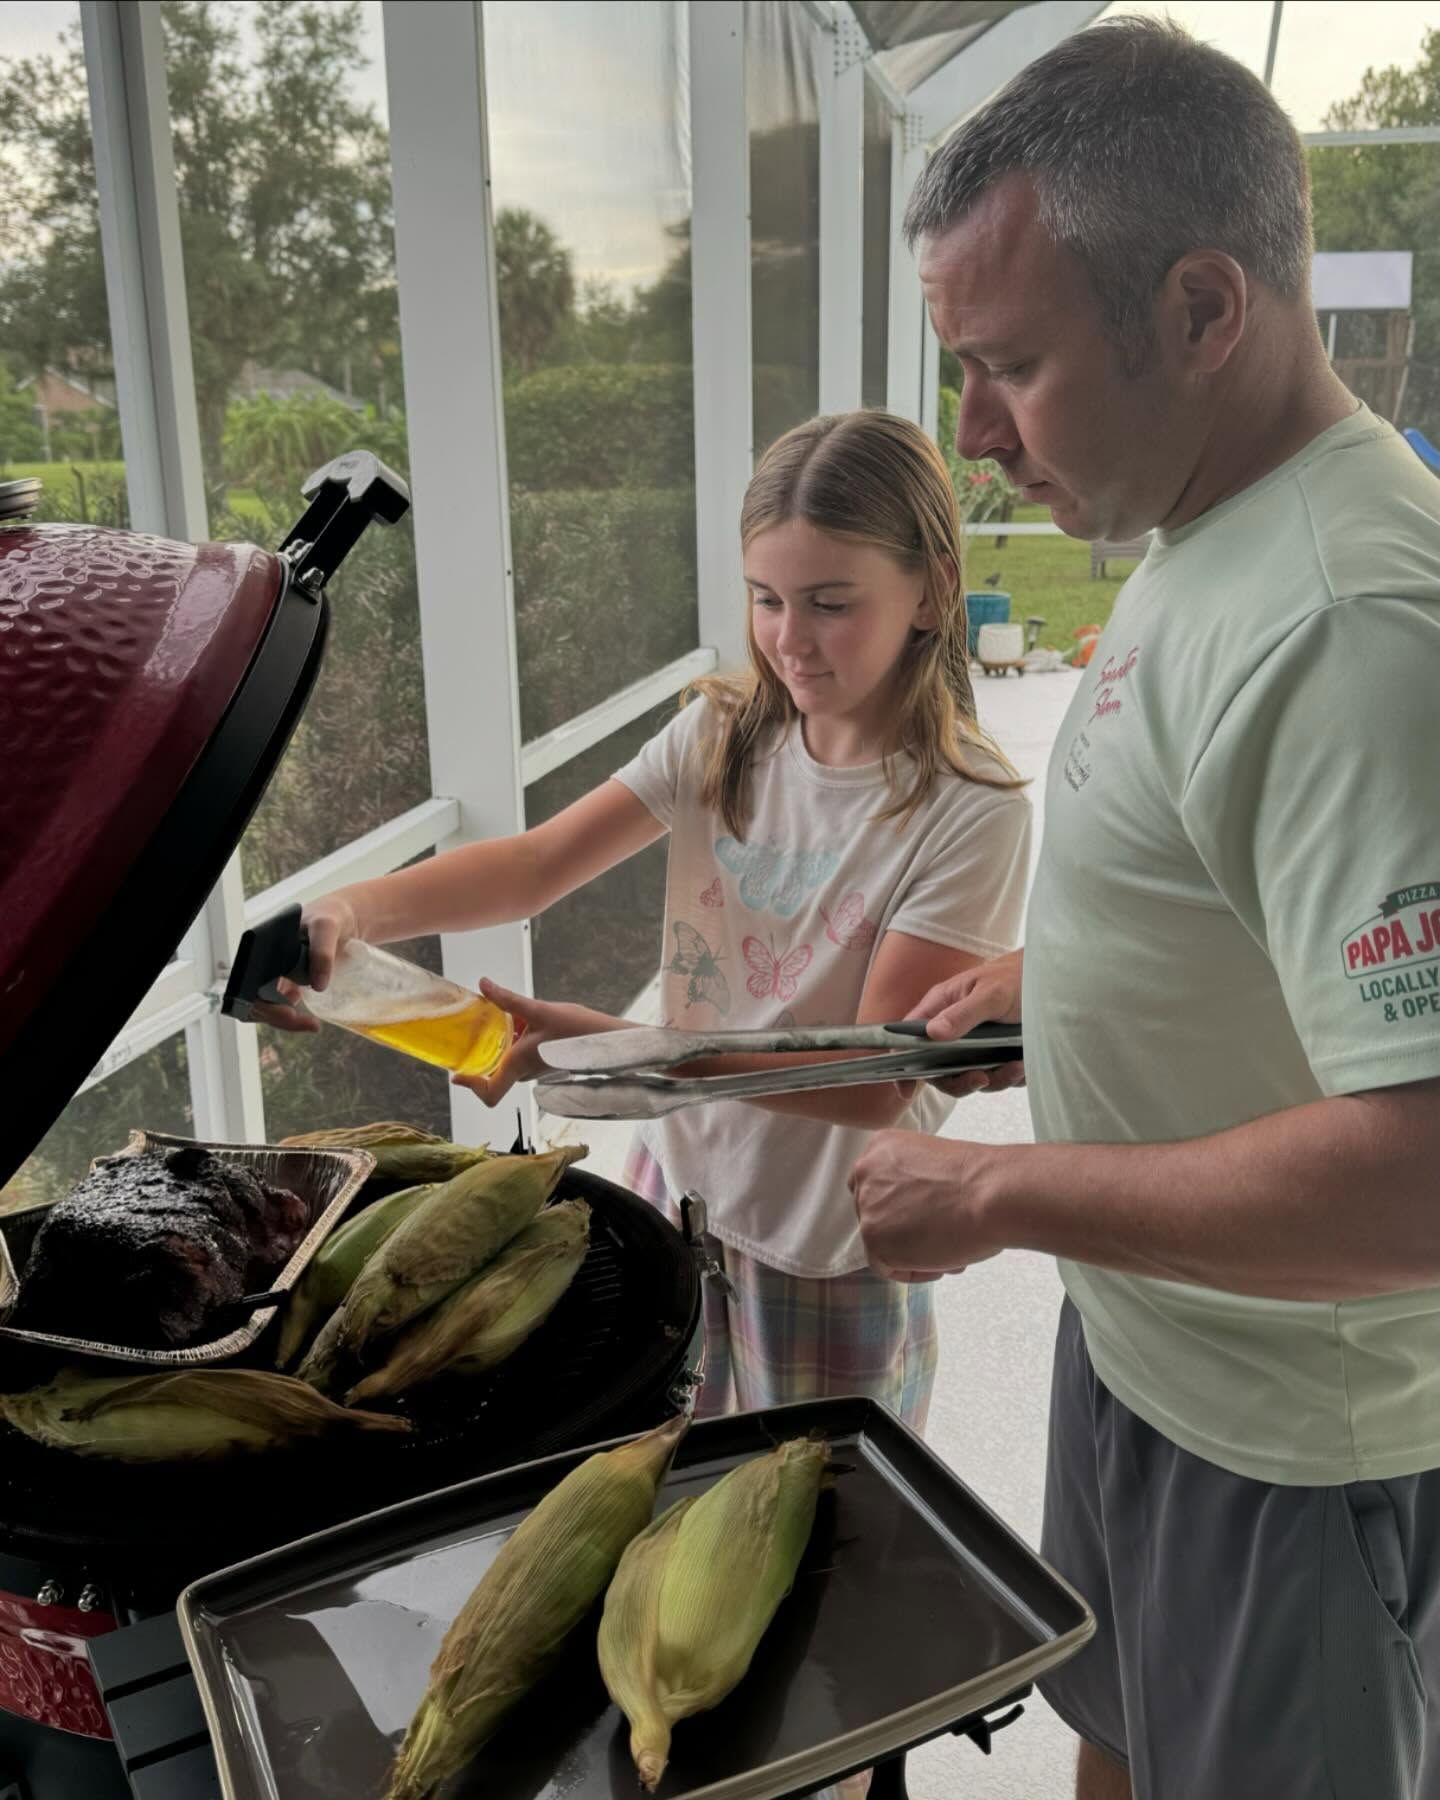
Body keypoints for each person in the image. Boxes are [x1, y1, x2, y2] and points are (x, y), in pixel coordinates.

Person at [847, 17, 1440, 1800]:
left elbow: (1422, 1174)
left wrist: (998, 1195)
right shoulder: (1208, 518)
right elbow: (1245, 889)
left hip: (1292, 1445)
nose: (970, 435)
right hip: (1151, 1349)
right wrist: (1062, 988)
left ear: (1200, 310)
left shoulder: (1347, 624)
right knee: (1110, 1734)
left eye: (1009, 366)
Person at [266, 409, 1031, 1435]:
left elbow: (871, 1081)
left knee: (812, 1540)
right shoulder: (724, 734)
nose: (790, 641)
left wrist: (617, 1049)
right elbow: (536, 866)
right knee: (652, 1473)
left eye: (831, 604)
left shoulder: (967, 810)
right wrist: (353, 908)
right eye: (767, 599)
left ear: (933, 589)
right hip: (682, 1197)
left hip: (828, 1255)